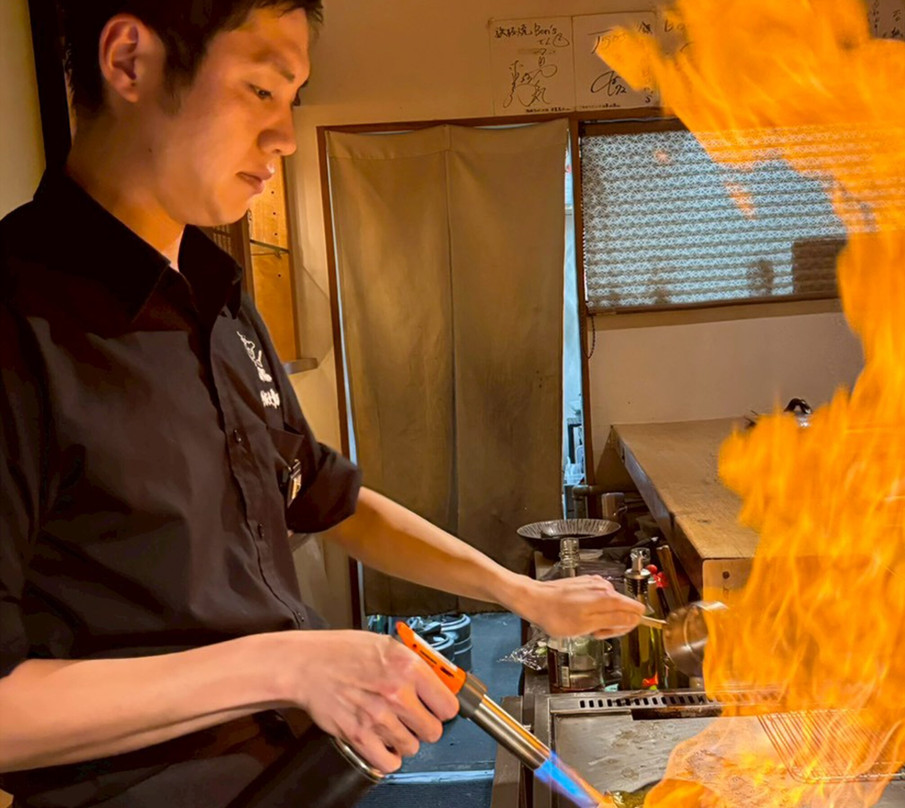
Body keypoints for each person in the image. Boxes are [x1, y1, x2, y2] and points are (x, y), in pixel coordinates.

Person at [0, 2, 645, 806]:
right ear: (130, 61)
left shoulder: (216, 301)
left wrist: (524, 594)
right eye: (261, 91)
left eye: (293, 100)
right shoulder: (18, 319)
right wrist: (287, 663)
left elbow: (329, 501)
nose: (285, 136)